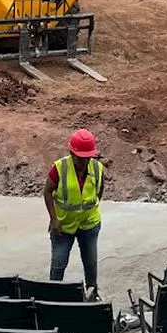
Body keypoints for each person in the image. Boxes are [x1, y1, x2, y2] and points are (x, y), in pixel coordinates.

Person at [44, 128, 105, 300]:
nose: (84, 161)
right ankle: (52, 299)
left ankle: (93, 295)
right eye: (80, 157)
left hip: (89, 225)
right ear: (72, 152)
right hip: (63, 227)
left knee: (91, 264)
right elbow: (47, 192)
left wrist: (90, 210)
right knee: (58, 264)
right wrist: (54, 218)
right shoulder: (60, 168)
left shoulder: (97, 168)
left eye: (87, 157)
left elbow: (99, 191)